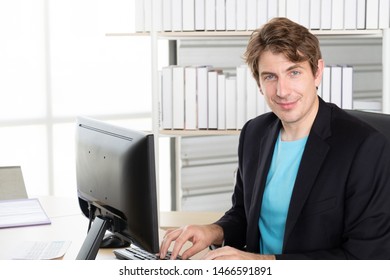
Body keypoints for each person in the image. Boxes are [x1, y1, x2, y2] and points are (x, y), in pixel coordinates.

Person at [159, 17, 390, 260]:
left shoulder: (365, 147)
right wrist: (213, 231)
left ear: (317, 72)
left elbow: (366, 257)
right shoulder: (255, 133)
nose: (282, 91)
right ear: (259, 83)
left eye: (294, 72)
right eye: (270, 77)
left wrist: (264, 263)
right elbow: (244, 215)